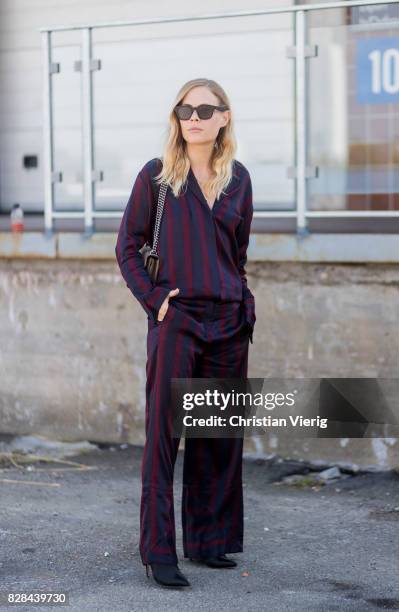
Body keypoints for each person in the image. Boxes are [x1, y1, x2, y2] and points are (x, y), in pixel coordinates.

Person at [115, 77, 256, 588]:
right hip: (178, 321)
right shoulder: (155, 177)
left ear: (223, 118)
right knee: (164, 439)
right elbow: (128, 246)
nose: (192, 117)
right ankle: (159, 551)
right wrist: (155, 302)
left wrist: (242, 302)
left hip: (229, 323)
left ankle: (209, 541)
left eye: (204, 108)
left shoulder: (238, 180)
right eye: (184, 108)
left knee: (218, 436)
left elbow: (236, 254)